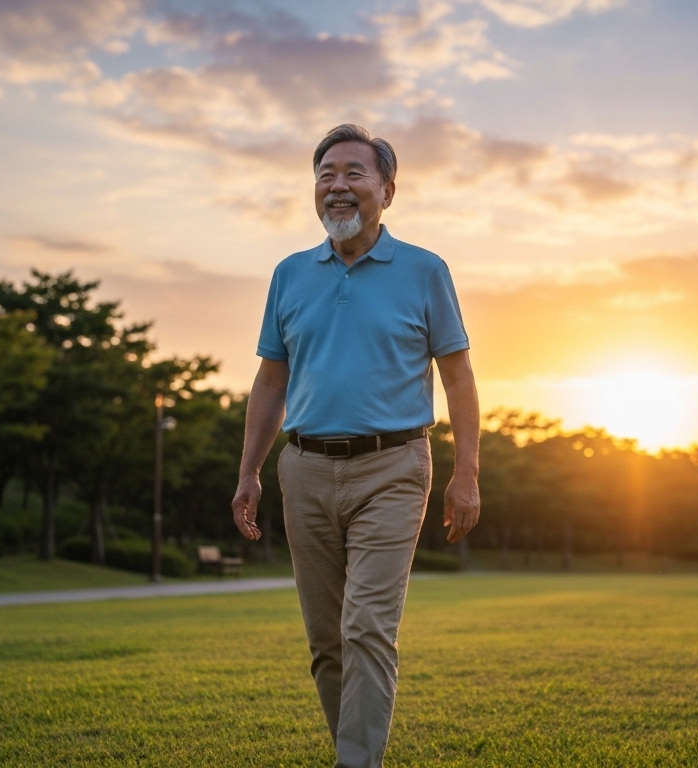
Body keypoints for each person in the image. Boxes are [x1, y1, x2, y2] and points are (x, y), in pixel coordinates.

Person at [231, 123, 481, 768]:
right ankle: (356, 750)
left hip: (394, 467)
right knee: (326, 640)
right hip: (304, 470)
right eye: (326, 174)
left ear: (387, 191)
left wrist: (467, 473)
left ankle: (356, 762)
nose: (337, 186)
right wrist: (250, 471)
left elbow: (457, 375)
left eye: (354, 173)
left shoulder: (425, 271)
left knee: (366, 626)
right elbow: (270, 379)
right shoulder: (289, 274)